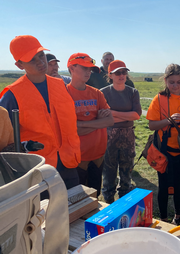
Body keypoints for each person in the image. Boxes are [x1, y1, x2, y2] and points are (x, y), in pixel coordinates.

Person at [0, 35, 81, 189]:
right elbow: (4, 143)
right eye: (32, 59)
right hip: (37, 171)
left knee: (75, 209)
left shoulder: (61, 85)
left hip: (68, 163)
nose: (40, 62)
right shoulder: (11, 95)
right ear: (19, 65)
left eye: (41, 55)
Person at [146, 63, 180, 227]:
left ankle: (178, 215)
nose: (175, 86)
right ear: (165, 80)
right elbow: (151, 125)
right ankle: (164, 218)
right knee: (163, 185)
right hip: (164, 151)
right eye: (171, 82)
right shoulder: (158, 99)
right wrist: (168, 121)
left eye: (178, 82)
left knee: (179, 184)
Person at [67, 53, 114, 196]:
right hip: (77, 156)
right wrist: (98, 123)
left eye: (90, 69)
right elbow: (69, 129)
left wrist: (81, 124)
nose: (89, 72)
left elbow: (110, 121)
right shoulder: (64, 94)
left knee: (95, 194)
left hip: (98, 154)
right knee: (78, 197)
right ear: (72, 68)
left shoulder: (96, 93)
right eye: (84, 68)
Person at [100, 60, 142, 203]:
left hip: (128, 135)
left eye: (124, 72)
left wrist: (113, 113)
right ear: (110, 74)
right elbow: (102, 117)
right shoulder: (103, 93)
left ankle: (124, 206)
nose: (122, 75)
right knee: (109, 174)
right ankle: (108, 206)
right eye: (118, 72)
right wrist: (125, 116)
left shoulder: (133, 92)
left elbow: (136, 115)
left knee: (126, 173)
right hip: (108, 137)